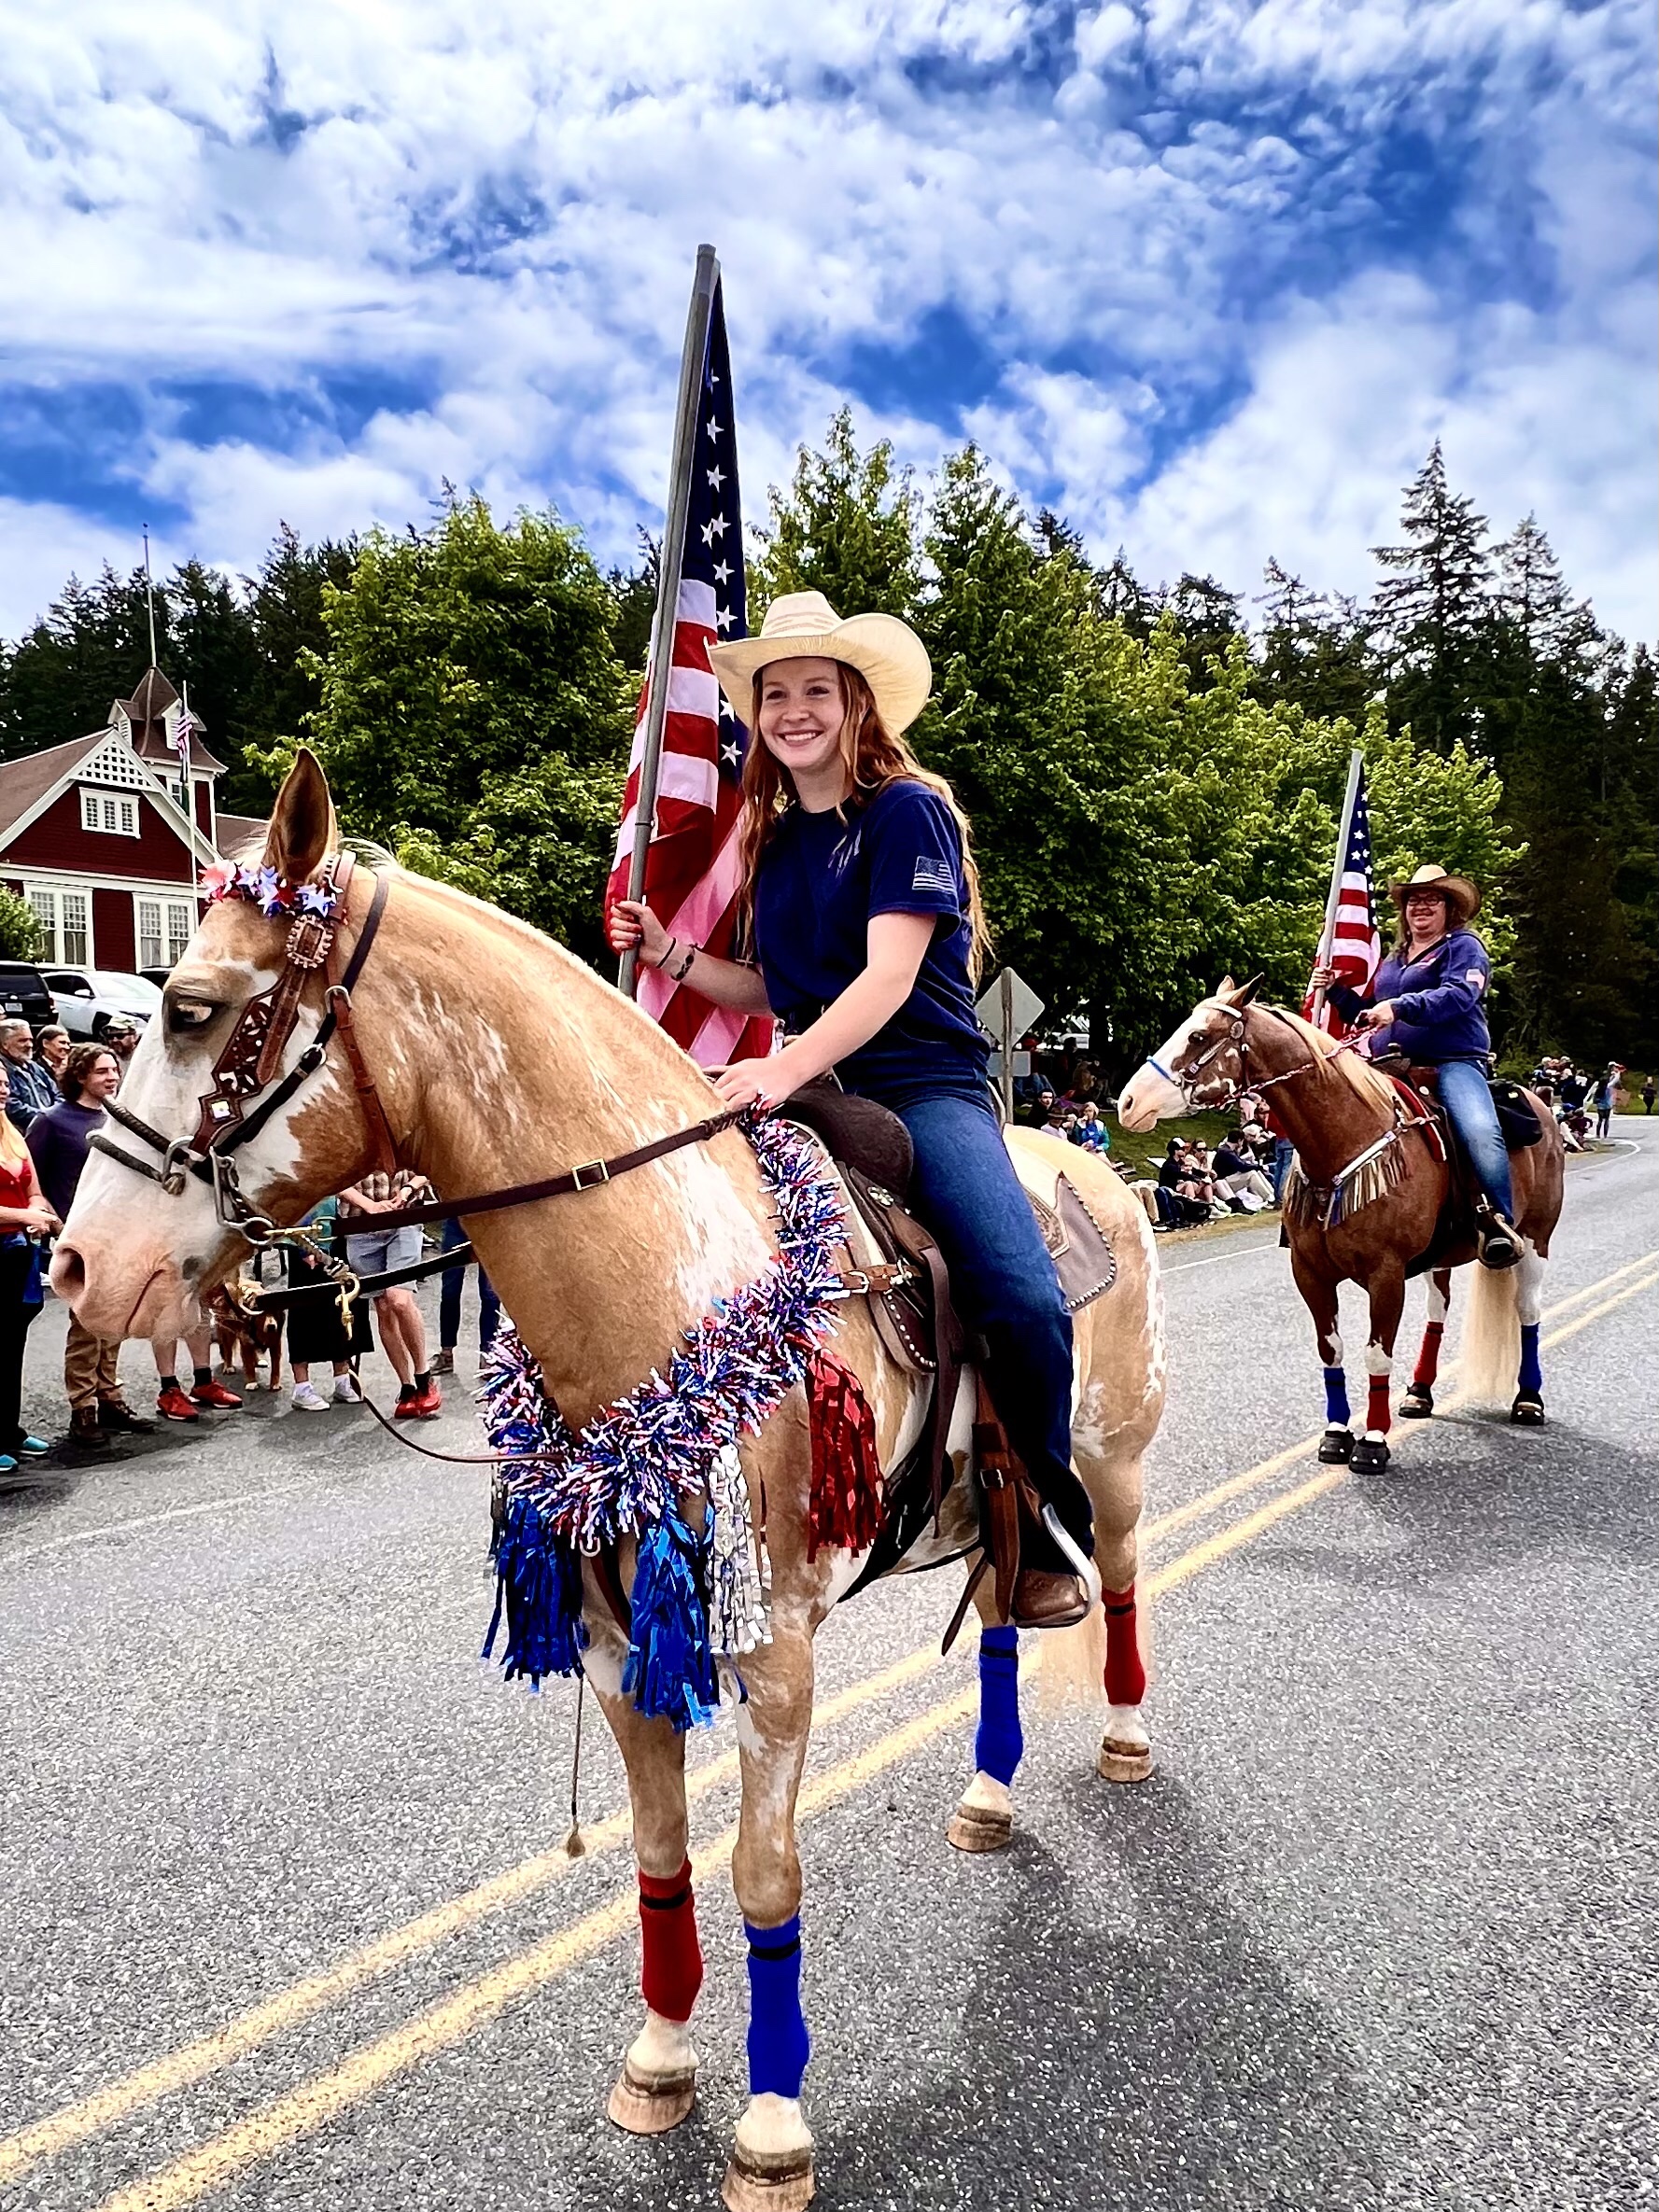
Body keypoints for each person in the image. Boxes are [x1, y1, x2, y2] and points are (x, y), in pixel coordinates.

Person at [609, 589, 1090, 1627]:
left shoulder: (906, 811)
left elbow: (884, 978)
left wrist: (778, 1074)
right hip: (816, 1082)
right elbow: (773, 990)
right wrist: (670, 953)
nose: (793, 711)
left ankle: (1049, 1520)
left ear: (854, 704)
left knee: (1019, 1292)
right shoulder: (776, 843)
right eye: (774, 695)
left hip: (922, 1085)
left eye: (814, 691)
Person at [1314, 862, 1521, 1268]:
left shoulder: (1464, 948)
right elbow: (1371, 1014)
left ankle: (1498, 1222)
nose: (1421, 906)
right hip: (1389, 1065)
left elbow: (1458, 996)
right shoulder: (1393, 960)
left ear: (1450, 909)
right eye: (1414, 900)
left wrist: (1399, 1006)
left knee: (1480, 1130)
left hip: (1452, 1062)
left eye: (1432, 899)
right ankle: (1323, 1215)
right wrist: (1336, 992)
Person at [26, 1043, 153, 1448]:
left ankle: (110, 1396)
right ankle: (83, 1408)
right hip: (79, 1234)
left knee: (115, 1320)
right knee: (85, 1325)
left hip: (121, 1231)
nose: (112, 1077)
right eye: (102, 1071)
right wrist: (53, 1223)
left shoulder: (119, 1117)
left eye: (114, 1070)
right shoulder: (52, 1121)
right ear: (79, 1076)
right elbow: (33, 1181)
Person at [338, 1168, 441, 1417]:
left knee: (399, 1299)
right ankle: (407, 1386)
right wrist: (368, 1205)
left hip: (402, 1218)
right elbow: (330, 1178)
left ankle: (423, 1376)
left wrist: (407, 1190)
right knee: (383, 1307)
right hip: (360, 1226)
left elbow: (427, 1168)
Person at [0, 1063, 58, 1471]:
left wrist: (37, 1212)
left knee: (12, 1345)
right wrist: (25, 1217)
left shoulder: (12, 1133)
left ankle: (10, 1430)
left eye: (5, 1082)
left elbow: (34, 1190)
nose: (3, 1089)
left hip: (17, 1253)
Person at [285, 1197, 365, 1411]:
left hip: (336, 1225)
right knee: (304, 1309)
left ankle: (342, 1378)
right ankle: (302, 1387)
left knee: (342, 1304)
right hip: (305, 1227)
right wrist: (304, 1246)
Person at [433, 1216, 499, 1378]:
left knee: (490, 1295)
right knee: (449, 1292)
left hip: (491, 1221)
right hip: (457, 1219)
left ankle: (488, 1355)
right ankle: (446, 1353)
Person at [1, 1019, 57, 1133]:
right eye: (22, 1041)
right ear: (4, 1044)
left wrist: (58, 1114)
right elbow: (11, 1107)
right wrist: (46, 1119)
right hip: (23, 1132)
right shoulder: (3, 1071)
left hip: (51, 1126)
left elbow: (57, 1093)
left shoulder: (34, 1067)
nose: (29, 1045)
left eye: (30, 1040)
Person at [1212, 1133, 1274, 1211]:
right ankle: (1269, 1198)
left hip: (1227, 1179)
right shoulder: (1227, 1152)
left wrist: (1257, 1167)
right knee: (1251, 1174)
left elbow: (1240, 1164)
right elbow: (1242, 1167)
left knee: (1255, 1172)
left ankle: (1271, 1195)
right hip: (1224, 1183)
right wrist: (1259, 1166)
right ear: (1239, 1141)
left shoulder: (1226, 1150)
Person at [1592, 1065, 1620, 1140]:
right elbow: (1615, 1080)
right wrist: (1617, 1073)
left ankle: (1598, 1134)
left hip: (1600, 1105)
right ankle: (1605, 1135)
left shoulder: (1598, 1088)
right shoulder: (1608, 1087)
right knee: (1606, 1120)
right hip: (1607, 1105)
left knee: (1600, 1120)